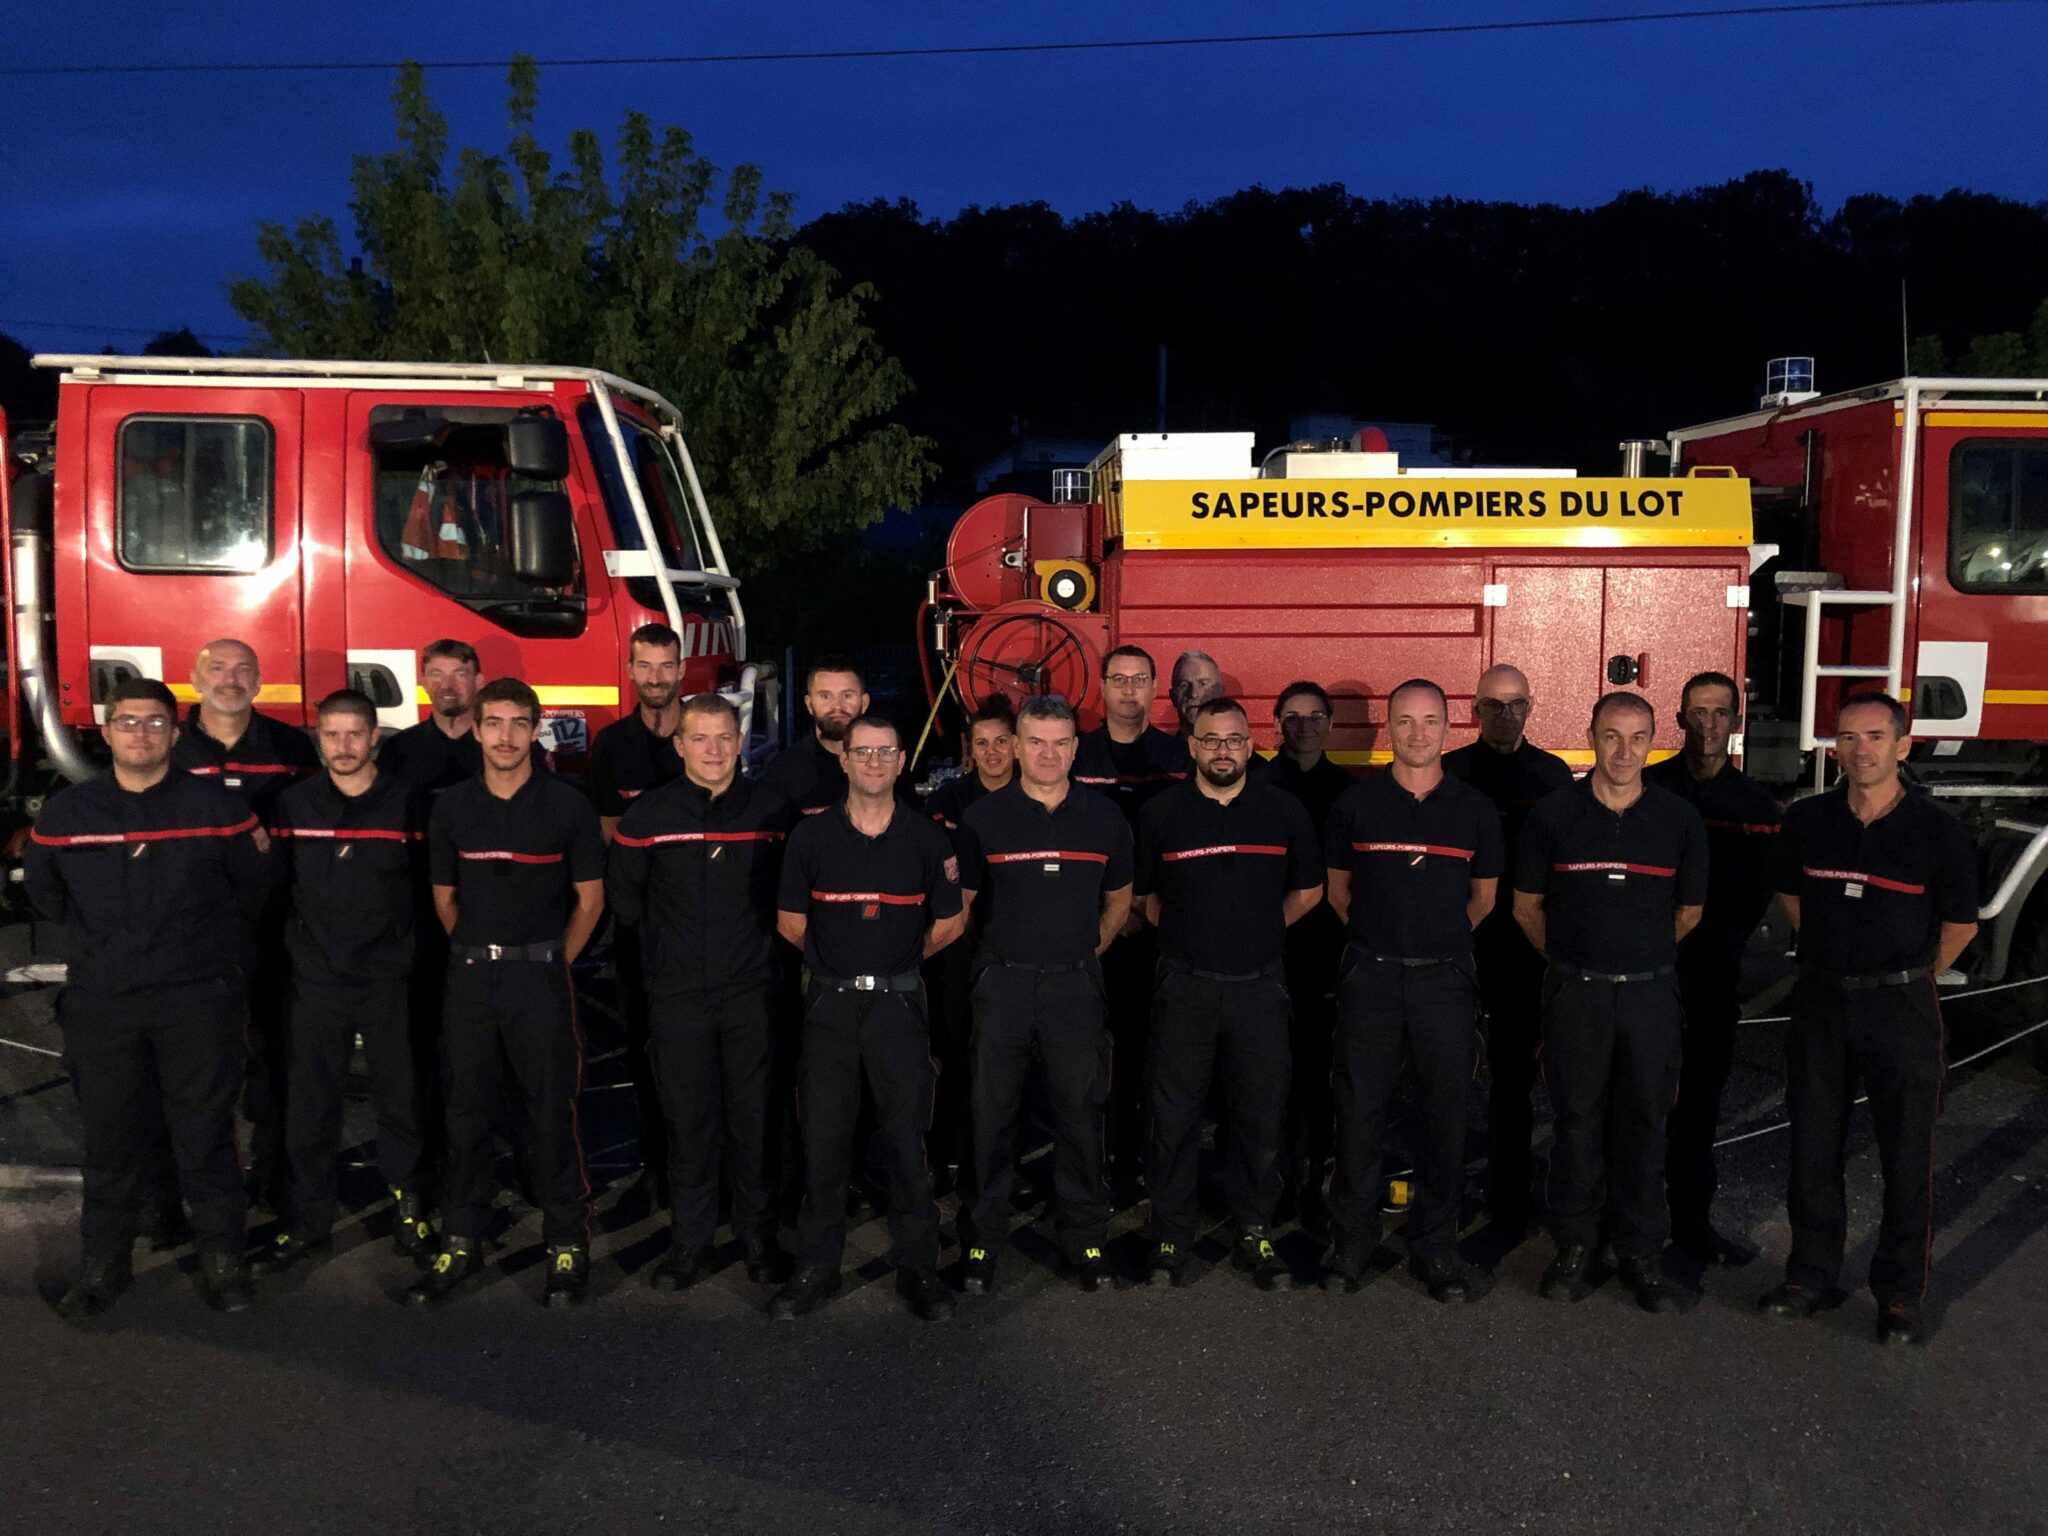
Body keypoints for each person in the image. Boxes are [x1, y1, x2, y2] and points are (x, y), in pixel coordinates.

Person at [28, 677, 270, 1318]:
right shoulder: (66, 816)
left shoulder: (217, 808)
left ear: (173, 732)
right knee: (110, 1141)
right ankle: (103, 1265)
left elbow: (251, 889)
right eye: (128, 721)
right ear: (104, 732)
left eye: (155, 722)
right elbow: (48, 896)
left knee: (207, 1136)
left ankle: (224, 1262)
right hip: (104, 1004)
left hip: (196, 999)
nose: (141, 733)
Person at [1758, 693, 1977, 1346]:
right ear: (1834, 748)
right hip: (1823, 1001)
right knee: (1812, 1148)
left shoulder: (1939, 831)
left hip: (1901, 1008)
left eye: (1875, 736)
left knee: (1907, 1156)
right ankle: (1809, 1276)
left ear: (1903, 746)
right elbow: (1792, 895)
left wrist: (1904, 975)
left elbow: (1961, 926)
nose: (1861, 749)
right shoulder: (1807, 821)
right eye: (1848, 737)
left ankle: (1900, 1296)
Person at [406, 679, 607, 1309]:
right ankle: (461, 1238)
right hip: (471, 980)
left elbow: (590, 900)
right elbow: (445, 901)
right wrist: (482, 953)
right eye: (493, 723)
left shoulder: (567, 806)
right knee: (465, 1113)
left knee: (549, 1112)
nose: (505, 736)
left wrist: (549, 963)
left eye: (519, 723)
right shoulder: (453, 808)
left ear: (536, 729)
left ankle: (567, 1242)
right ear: (477, 728)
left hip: (539, 980)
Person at [1512, 690, 1708, 1313]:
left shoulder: (1678, 821)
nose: (1624, 751)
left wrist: (1634, 957)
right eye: (1611, 736)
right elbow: (1525, 908)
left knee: (1646, 1125)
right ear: (1591, 735)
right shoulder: (1551, 816)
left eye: (1637, 737)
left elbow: (1689, 912)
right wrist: (1578, 962)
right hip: (1578, 995)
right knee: (1576, 1124)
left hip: (1650, 997)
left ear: (1654, 742)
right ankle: (1575, 1247)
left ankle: (1641, 1253)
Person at [771, 714, 967, 1321]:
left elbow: (950, 922)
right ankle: (816, 1267)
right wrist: (841, 966)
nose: (874, 762)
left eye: (886, 751)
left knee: (907, 1142)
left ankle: (919, 1268)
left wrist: (896, 964)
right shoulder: (810, 839)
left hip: (898, 1005)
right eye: (864, 752)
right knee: (824, 1140)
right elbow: (790, 923)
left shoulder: (928, 839)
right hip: (830, 1005)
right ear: (845, 760)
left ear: (902, 758)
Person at [607, 693, 798, 1292]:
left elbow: (791, 895)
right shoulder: (649, 819)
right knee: (688, 1123)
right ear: (680, 745)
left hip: (753, 995)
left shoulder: (773, 813)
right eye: (702, 739)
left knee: (755, 1121)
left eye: (725, 738)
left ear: (739, 743)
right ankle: (690, 1242)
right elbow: (625, 902)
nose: (714, 750)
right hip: (680, 998)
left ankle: (758, 1238)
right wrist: (670, 956)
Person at [1321, 679, 1502, 1301]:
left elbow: (1484, 899)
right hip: (1370, 975)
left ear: (1449, 728)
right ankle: (1352, 1241)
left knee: (1444, 1116)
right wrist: (1381, 941)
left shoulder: (1473, 809)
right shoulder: (1355, 805)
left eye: (1430, 721)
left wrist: (1435, 943)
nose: (1417, 732)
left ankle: (1436, 1246)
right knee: (1359, 1110)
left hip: (1443, 981)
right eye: (1405, 721)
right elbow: (1339, 891)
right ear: (1389, 729)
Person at [1137, 697, 1323, 1291]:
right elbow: (1144, 897)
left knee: (1260, 1115)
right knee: (1173, 1115)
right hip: (1184, 986)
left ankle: (1253, 1228)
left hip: (1259, 987)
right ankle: (1170, 1233)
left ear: (1251, 745)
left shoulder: (1284, 811)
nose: (1223, 750)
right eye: (1211, 739)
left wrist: (1258, 932)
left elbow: (1310, 890)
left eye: (1234, 740)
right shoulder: (1160, 813)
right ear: (1191, 745)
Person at [953, 696, 1133, 1294]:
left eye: (1060, 743)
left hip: (1073, 986)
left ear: (1075, 749)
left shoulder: (1105, 818)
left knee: (1081, 1115)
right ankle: (981, 1241)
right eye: (1035, 741)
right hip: (1002, 986)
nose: (1048, 753)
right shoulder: (983, 819)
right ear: (1017, 746)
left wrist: (1083, 954)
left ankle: (1084, 1237)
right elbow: (966, 908)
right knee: (989, 1116)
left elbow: (1120, 900)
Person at [253, 690, 434, 1276]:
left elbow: (430, 895)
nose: (344, 746)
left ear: (375, 735)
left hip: (390, 981)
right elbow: (275, 891)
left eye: (355, 734)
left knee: (402, 1102)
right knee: (311, 1106)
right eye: (332, 735)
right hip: (316, 982)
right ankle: (306, 1221)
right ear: (317, 737)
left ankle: (411, 1208)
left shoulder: (409, 804)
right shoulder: (293, 805)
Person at [168, 637, 318, 1212]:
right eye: (217, 668)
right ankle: (194, 1190)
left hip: (276, 932)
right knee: (196, 1069)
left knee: (274, 1059)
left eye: (243, 670)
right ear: (193, 675)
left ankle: (273, 1179)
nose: (230, 680)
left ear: (259, 680)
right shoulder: (171, 747)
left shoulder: (290, 747)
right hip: (193, 934)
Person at [1644, 671, 1783, 1267]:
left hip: (1710, 981)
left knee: (1698, 1109)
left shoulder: (1755, 808)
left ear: (1735, 721)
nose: (1707, 725)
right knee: (1632, 1105)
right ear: (1678, 719)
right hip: (1645, 976)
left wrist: (1717, 948)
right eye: (1696, 713)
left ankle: (1692, 1225)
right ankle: (1626, 1224)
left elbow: (1758, 896)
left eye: (1719, 713)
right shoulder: (1648, 790)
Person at [1444, 663, 1574, 1238]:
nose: (1504, 715)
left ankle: (1508, 1195)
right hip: (1458, 942)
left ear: (1530, 708)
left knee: (1513, 1077)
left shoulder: (1551, 777)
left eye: (1515, 704)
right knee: (1444, 1076)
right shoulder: (1450, 773)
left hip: (1523, 946)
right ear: (1475, 709)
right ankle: (1442, 1194)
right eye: (1493, 705)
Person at [1074, 644, 1191, 1202]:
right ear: (1101, 686)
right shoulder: (1077, 756)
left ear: (1153, 688)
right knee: (1089, 1057)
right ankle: (1095, 1165)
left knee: (1154, 1054)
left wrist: (1144, 911)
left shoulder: (1176, 758)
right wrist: (1108, 917)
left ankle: (1144, 1163)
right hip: (1090, 932)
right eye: (1118, 679)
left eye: (1139, 679)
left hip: (1157, 930)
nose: (1128, 689)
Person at [588, 621, 691, 1210]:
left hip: (700, 925)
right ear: (630, 672)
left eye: (666, 666)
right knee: (644, 1046)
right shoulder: (611, 747)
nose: (656, 678)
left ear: (680, 670)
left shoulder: (704, 736)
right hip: (640, 929)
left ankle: (703, 1168)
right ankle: (656, 1166)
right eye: (645, 667)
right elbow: (609, 834)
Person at [922, 698, 1017, 1189]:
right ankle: (943, 1157)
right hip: (955, 952)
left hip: (1010, 948)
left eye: (1002, 741)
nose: (993, 751)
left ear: (1017, 745)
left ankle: (1001, 1164)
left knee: (1005, 1062)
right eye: (982, 743)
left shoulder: (1030, 799)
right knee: (954, 1055)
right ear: (970, 750)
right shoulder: (945, 804)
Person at [1268, 680, 1354, 1228]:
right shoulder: (1257, 782)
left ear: (1330, 723)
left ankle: (1319, 1184)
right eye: (1292, 717)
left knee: (1322, 1072)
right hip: (1267, 946)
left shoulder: (1347, 790)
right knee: (1267, 1076)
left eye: (1315, 716)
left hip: (1326, 946)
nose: (1303, 728)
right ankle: (1270, 1187)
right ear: (1277, 722)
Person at [378, 639, 545, 795]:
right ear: (423, 683)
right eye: (436, 674)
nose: (447, 685)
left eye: (460, 674)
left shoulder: (512, 747)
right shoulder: (398, 750)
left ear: (478, 681)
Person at [759, 656, 873, 815]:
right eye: (825, 696)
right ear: (809, 704)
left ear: (864, 703)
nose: (837, 706)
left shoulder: (884, 765)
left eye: (847, 696)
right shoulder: (785, 771)